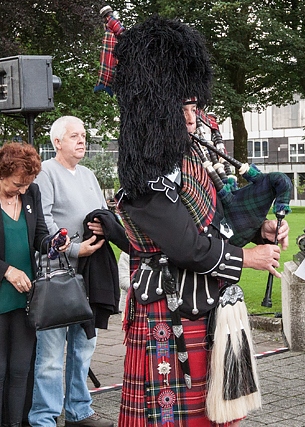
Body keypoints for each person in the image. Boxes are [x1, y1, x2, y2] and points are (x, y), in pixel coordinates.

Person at [112, 17, 289, 427]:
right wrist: (247, 259)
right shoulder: (145, 178)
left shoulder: (192, 161)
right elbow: (187, 245)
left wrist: (258, 230)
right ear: (156, 112)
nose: (192, 119)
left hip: (205, 301)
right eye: (182, 108)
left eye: (194, 107)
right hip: (168, 304)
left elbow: (216, 222)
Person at [29, 116, 114, 427]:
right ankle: (44, 418)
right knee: (51, 354)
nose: (82, 141)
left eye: (84, 135)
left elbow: (101, 211)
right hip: (57, 276)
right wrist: (77, 249)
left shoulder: (89, 174)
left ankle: (79, 411)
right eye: (74, 136)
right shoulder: (45, 173)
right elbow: (44, 221)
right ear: (56, 143)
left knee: (84, 346)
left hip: (90, 275)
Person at [0, 143, 64, 427]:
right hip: (2, 295)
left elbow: (39, 234)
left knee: (20, 370)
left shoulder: (31, 193)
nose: (23, 190)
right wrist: (6, 270)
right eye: (17, 183)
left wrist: (53, 242)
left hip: (25, 297)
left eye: (27, 184)